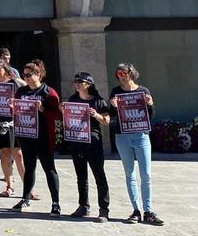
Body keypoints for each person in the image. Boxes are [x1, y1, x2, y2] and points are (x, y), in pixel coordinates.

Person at [110, 63, 164, 226]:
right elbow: (113, 116)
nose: (121, 75)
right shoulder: (116, 91)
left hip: (141, 135)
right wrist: (112, 106)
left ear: (131, 73)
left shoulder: (143, 90)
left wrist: (150, 104)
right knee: (129, 174)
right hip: (123, 135)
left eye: (123, 72)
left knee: (146, 174)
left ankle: (148, 210)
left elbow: (151, 115)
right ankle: (136, 210)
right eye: (118, 73)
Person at [11, 60, 62, 216]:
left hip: (44, 136)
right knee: (29, 168)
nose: (26, 78)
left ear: (38, 74)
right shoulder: (21, 91)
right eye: (24, 75)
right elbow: (19, 111)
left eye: (29, 75)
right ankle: (25, 198)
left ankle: (55, 203)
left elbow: (58, 114)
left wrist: (43, 108)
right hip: (27, 136)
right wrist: (13, 106)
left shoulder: (49, 92)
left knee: (49, 169)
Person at [65, 72, 111, 223]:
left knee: (99, 176)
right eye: (75, 81)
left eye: (81, 82)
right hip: (77, 141)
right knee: (81, 176)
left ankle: (104, 210)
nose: (77, 84)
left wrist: (96, 115)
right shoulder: (73, 99)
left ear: (89, 84)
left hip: (93, 141)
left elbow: (107, 121)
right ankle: (83, 206)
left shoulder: (98, 101)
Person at [0, 59, 26, 198]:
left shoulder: (16, 83)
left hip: (13, 122)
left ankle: (28, 188)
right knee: (4, 155)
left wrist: (15, 104)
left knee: (19, 155)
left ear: (6, 69)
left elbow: (26, 98)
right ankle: (9, 186)